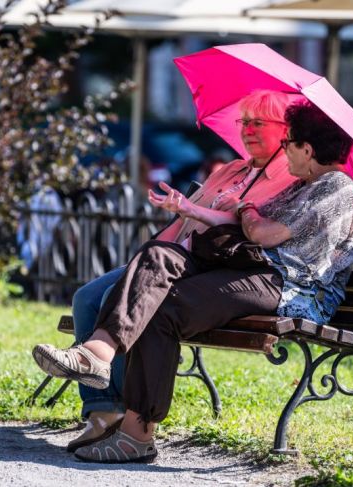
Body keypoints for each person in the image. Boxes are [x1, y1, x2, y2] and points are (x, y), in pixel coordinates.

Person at [32, 101, 353, 463]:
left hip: (291, 289)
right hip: (254, 272)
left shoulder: (337, 188)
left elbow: (264, 233)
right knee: (158, 256)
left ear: (308, 149)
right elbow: (246, 228)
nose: (284, 150)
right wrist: (196, 210)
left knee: (166, 308)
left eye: (289, 144)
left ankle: (136, 436)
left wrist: (244, 208)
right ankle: (96, 353)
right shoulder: (304, 186)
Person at [64, 90, 299, 451]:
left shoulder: (289, 176)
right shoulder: (232, 168)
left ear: (285, 130)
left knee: (116, 299)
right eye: (244, 122)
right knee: (87, 297)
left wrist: (227, 210)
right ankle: (103, 412)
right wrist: (161, 237)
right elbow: (184, 220)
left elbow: (255, 233)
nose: (248, 130)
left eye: (258, 123)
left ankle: (117, 407)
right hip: (171, 257)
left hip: (207, 267)